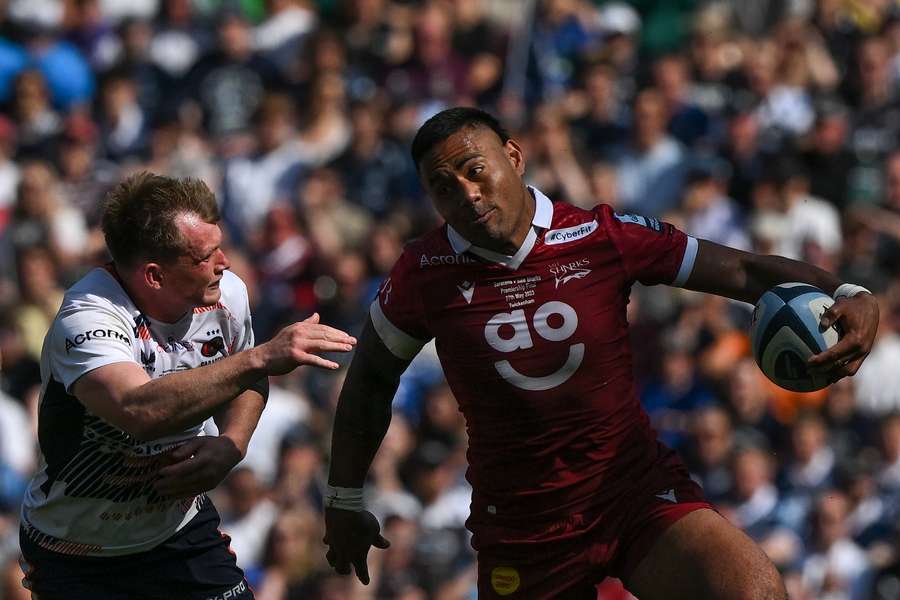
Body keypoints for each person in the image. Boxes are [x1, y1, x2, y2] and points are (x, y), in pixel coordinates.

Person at [322, 107, 879, 599]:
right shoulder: (424, 273)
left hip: (632, 491)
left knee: (751, 591)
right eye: (443, 187)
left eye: (475, 170)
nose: (466, 194)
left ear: (513, 156)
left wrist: (847, 292)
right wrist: (344, 498)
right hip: (523, 525)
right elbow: (370, 378)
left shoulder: (599, 235)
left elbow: (740, 269)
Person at [19, 173, 357, 599]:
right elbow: (141, 411)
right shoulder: (87, 319)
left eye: (220, 245)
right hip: (77, 550)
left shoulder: (226, 295)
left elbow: (247, 382)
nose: (226, 262)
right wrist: (261, 356)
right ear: (155, 276)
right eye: (205, 255)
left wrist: (233, 442)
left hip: (179, 534)